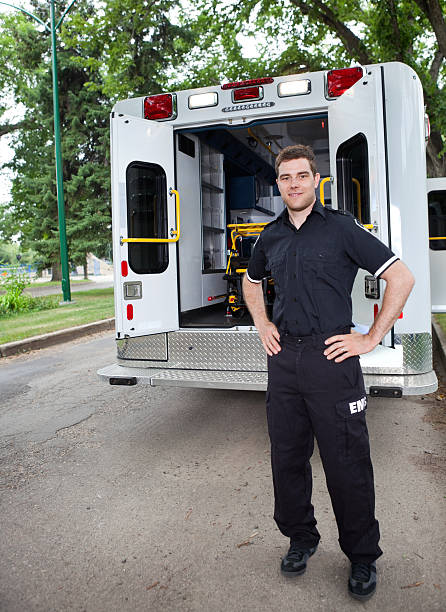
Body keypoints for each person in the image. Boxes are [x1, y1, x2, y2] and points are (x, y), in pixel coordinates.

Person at [242, 144, 415, 601]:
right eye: (285, 178)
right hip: (284, 362)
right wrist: (262, 322)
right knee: (287, 456)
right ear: (277, 184)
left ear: (316, 180)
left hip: (332, 358)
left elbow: (402, 277)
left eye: (302, 175)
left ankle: (362, 556)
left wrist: (371, 337)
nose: (294, 184)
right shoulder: (269, 236)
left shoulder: (340, 229)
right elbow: (251, 280)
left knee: (346, 461)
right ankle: (301, 538)